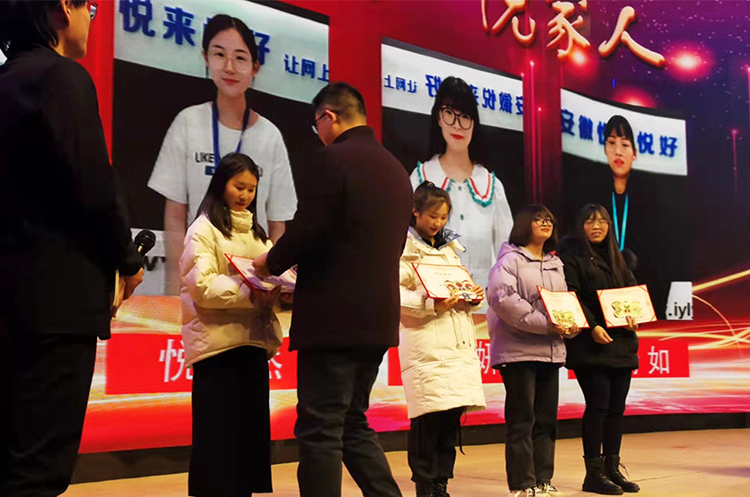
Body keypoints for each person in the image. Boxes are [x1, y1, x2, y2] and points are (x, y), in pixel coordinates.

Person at [0, 1, 144, 496]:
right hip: (55, 307)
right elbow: (93, 185)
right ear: (64, 6)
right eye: (92, 7)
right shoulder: (62, 77)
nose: (92, 18)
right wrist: (128, 260)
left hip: (11, 302)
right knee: (38, 469)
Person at [253, 82, 412, 497]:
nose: (318, 133)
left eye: (317, 125)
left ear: (329, 117)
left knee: (321, 427)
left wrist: (269, 263)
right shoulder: (397, 170)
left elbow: (310, 229)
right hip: (377, 319)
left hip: (333, 319)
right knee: (352, 422)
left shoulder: (332, 159)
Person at [149, 14, 297, 294]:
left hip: (253, 275)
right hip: (200, 267)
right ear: (205, 57)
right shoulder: (187, 122)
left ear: (255, 67)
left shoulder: (270, 135)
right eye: (219, 54)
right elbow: (175, 216)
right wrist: (176, 284)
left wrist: (275, 283)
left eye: (240, 58)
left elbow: (277, 224)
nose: (229, 67)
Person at [180, 152, 282, 497]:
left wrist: (282, 293)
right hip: (216, 348)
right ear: (221, 183)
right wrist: (252, 292)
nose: (245, 195)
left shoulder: (258, 235)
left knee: (248, 439)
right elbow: (202, 286)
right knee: (216, 439)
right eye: (239, 187)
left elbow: (272, 279)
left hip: (253, 344)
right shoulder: (202, 229)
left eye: (252, 189)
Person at [398, 181, 486, 497]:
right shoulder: (403, 248)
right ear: (415, 212)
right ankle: (425, 485)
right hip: (426, 342)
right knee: (428, 417)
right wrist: (429, 304)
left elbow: (457, 286)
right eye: (432, 216)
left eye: (443, 217)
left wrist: (472, 295)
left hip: (457, 343)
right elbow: (394, 293)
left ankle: (441, 484)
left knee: (450, 418)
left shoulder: (450, 248)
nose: (437, 223)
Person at [487, 205, 577, 497]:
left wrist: (571, 324)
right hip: (518, 352)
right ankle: (522, 484)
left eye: (549, 219)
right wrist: (548, 324)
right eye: (538, 219)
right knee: (522, 420)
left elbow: (563, 303)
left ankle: (542, 480)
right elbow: (503, 299)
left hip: (550, 351)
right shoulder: (510, 260)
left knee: (547, 421)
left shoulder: (555, 262)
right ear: (524, 224)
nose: (545, 223)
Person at [563, 115, 688, 319]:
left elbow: (668, 253)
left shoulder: (652, 197)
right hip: (599, 288)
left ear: (634, 153)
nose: (618, 151)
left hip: (645, 287)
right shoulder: (589, 194)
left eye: (625, 144)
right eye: (611, 143)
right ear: (605, 149)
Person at [557, 204, 641, 495]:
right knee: (598, 407)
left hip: (622, 343)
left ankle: (612, 469)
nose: (597, 226)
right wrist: (592, 326)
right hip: (590, 345)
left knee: (616, 409)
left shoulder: (620, 259)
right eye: (590, 221)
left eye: (602, 221)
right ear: (579, 226)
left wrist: (635, 317)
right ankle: (592, 474)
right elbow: (572, 296)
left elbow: (632, 296)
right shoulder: (571, 258)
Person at [410, 76, 513, 304]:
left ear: (474, 124)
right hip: (433, 305)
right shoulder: (420, 178)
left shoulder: (491, 184)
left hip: (484, 308)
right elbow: (406, 245)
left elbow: (507, 250)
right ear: (439, 117)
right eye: (449, 113)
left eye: (465, 116)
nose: (457, 125)